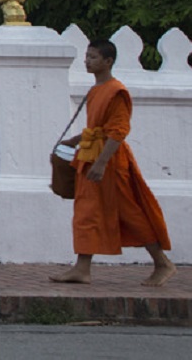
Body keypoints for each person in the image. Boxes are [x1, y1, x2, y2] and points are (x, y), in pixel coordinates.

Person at [50, 39, 175, 287]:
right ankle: (82, 268)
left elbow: (118, 131)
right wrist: (74, 141)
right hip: (89, 157)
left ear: (108, 62)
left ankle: (162, 262)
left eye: (93, 57)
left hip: (110, 162)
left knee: (129, 213)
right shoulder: (96, 90)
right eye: (87, 56)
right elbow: (97, 128)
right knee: (86, 213)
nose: (87, 61)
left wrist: (102, 163)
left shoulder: (116, 91)